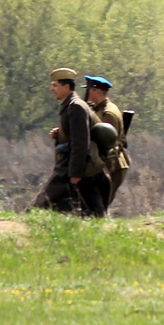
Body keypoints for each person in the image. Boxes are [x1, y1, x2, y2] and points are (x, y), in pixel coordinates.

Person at [41, 67, 110, 217]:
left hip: (71, 169)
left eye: (55, 85)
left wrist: (75, 173)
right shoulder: (71, 106)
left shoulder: (76, 107)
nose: (52, 89)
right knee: (88, 212)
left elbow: (81, 143)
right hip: (70, 167)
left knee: (41, 206)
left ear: (67, 87)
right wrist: (59, 135)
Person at [85, 76, 130, 204]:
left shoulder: (108, 113)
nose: (88, 94)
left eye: (90, 90)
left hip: (113, 164)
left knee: (101, 203)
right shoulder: (99, 109)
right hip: (107, 163)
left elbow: (107, 142)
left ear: (98, 92)